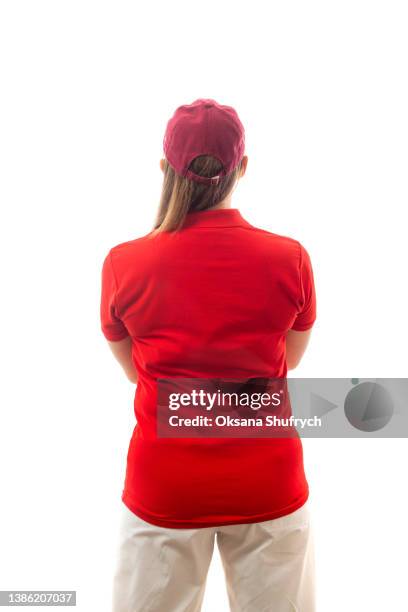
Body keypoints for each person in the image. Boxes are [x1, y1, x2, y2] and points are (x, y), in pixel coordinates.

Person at [100, 98, 317, 612]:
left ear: (164, 169)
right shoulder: (291, 259)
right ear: (242, 168)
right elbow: (293, 359)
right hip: (268, 484)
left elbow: (135, 371)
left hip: (164, 489)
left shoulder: (124, 265)